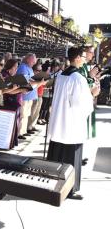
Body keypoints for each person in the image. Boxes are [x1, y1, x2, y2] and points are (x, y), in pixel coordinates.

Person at [47, 47, 100, 200]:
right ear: (77, 58)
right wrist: (93, 94)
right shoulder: (78, 78)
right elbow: (81, 104)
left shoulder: (62, 75)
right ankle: (69, 189)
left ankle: (51, 184)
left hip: (59, 124)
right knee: (71, 158)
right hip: (71, 126)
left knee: (57, 154)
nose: (85, 59)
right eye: (83, 56)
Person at [16, 53, 46, 138]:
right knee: (23, 115)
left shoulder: (29, 68)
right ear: (28, 59)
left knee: (26, 114)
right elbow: (26, 81)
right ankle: (19, 133)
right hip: (25, 96)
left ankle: (23, 131)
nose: (34, 62)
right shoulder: (23, 67)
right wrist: (39, 82)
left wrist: (40, 82)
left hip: (30, 95)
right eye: (33, 61)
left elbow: (33, 81)